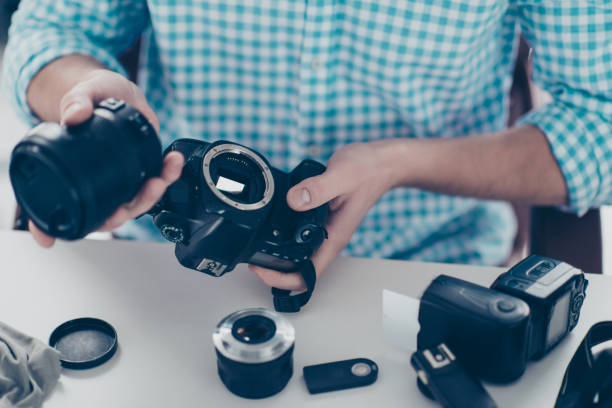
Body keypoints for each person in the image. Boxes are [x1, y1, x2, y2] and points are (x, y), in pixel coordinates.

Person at [2, 1, 611, 292]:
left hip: (420, 267)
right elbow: (52, 27)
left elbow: (600, 121)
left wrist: (400, 165)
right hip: (161, 258)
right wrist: (83, 93)